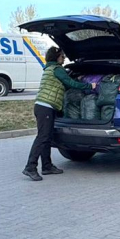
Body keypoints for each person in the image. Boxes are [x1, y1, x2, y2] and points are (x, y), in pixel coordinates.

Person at [23, 46, 92, 181]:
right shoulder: (57, 69)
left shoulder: (49, 69)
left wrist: (77, 78)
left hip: (42, 107)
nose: (64, 58)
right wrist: (89, 86)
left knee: (47, 137)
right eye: (62, 56)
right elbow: (70, 83)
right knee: (42, 137)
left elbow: (64, 83)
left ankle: (47, 166)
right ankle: (30, 167)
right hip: (46, 107)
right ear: (56, 57)